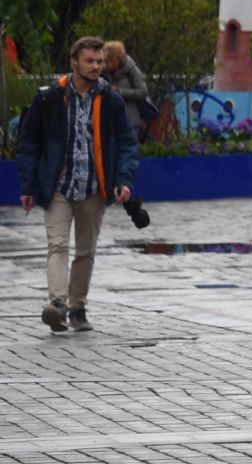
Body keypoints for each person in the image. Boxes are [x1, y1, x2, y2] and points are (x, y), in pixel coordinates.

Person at [15, 36, 139, 334]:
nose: (96, 66)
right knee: (57, 245)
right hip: (57, 186)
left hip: (94, 188)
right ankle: (57, 305)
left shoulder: (110, 99)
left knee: (86, 251)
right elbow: (29, 142)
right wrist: (28, 185)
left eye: (99, 61)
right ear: (75, 62)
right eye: (90, 61)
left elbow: (126, 143)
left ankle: (77, 308)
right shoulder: (50, 97)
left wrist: (123, 180)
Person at [101, 41, 151, 137]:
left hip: (130, 120)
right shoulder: (102, 71)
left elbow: (142, 92)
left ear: (119, 59)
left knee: (128, 149)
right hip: (109, 120)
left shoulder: (131, 69)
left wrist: (120, 92)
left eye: (111, 61)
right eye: (106, 61)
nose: (108, 65)